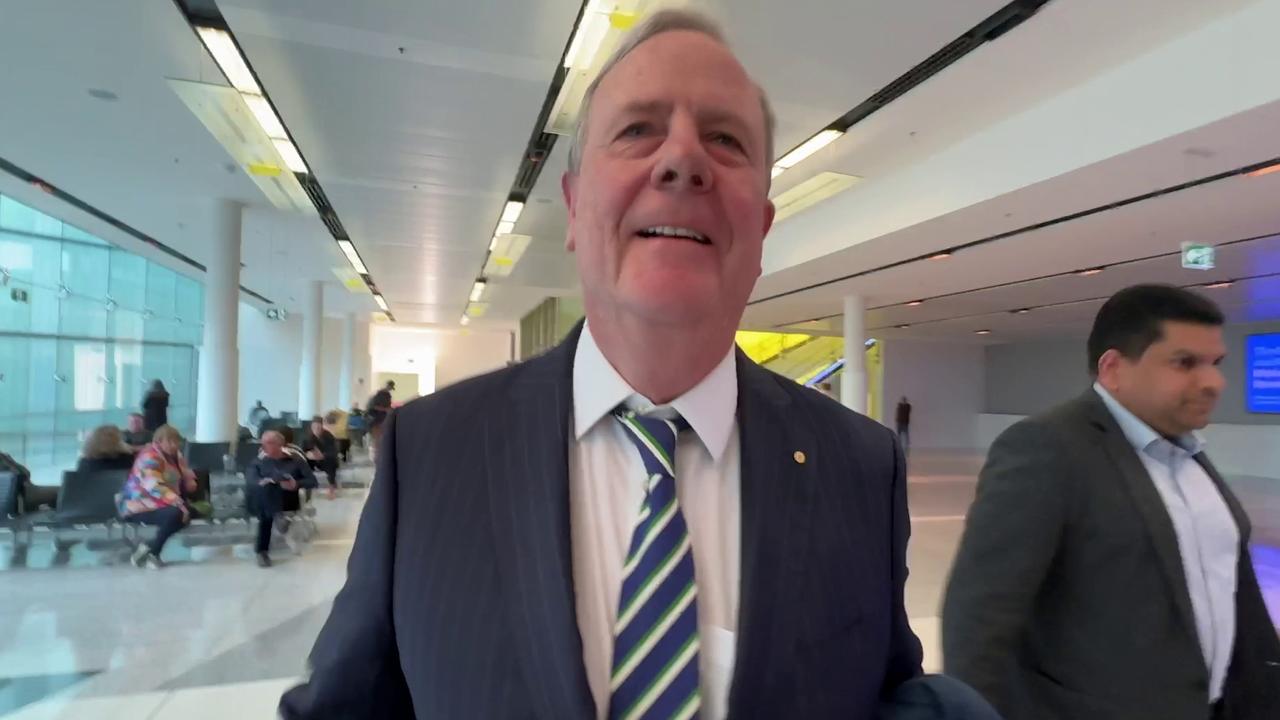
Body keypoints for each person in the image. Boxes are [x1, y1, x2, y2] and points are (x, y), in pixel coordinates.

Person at [281, 10, 922, 719]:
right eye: (639, 129)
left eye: (725, 138)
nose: (683, 160)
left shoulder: (862, 467)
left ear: (762, 228)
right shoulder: (431, 453)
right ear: (575, 208)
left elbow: (891, 696)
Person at [942, 284, 1280, 720]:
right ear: (1114, 368)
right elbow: (978, 621)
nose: (1213, 381)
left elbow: (1233, 598)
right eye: (1184, 363)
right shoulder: (1047, 447)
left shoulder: (1189, 453)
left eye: (1216, 363)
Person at [117, 424, 197, 570]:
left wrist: (189, 480)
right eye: (170, 441)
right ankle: (153, 553)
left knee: (187, 513)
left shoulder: (175, 456)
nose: (175, 445)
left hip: (160, 503)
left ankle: (148, 548)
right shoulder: (149, 457)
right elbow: (153, 485)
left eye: (176, 441)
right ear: (159, 442)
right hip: (137, 506)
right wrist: (177, 501)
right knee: (177, 514)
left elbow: (185, 472)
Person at [246, 430, 314, 568]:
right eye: (263, 443)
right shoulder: (259, 461)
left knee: (266, 513)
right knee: (266, 494)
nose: (264, 446)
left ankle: (262, 551)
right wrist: (263, 482)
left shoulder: (295, 460)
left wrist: (296, 484)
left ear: (280, 444)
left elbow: (312, 481)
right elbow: (251, 480)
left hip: (287, 499)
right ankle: (277, 516)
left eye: (269, 443)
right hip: (264, 501)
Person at [302, 415, 340, 499]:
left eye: (318, 427)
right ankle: (308, 491)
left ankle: (331, 488)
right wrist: (308, 455)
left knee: (330, 462)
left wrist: (323, 456)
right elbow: (303, 451)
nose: (316, 429)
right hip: (313, 460)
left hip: (326, 460)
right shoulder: (307, 436)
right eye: (314, 427)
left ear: (321, 427)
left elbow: (333, 452)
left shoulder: (328, 436)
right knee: (303, 464)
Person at [365, 380, 394, 461]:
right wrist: (386, 409)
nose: (390, 389)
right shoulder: (379, 395)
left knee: (380, 440)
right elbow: (373, 407)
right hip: (377, 420)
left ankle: (379, 457)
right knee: (378, 440)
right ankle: (377, 458)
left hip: (383, 420)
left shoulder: (387, 395)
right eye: (390, 387)